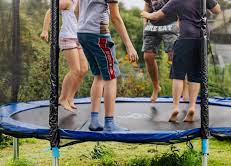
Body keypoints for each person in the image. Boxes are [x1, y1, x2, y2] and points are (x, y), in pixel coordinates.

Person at [141, 0, 221, 122]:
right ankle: (192, 107)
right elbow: (217, 10)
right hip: (201, 38)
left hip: (184, 38)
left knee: (178, 74)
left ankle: (175, 107)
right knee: (195, 74)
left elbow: (156, 15)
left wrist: (145, 14)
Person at [76, 0, 138, 131]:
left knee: (98, 75)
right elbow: (115, 17)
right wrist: (129, 45)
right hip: (99, 35)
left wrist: (83, 27)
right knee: (111, 77)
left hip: (82, 32)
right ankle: (109, 123)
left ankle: (94, 121)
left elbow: (77, 10)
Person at [41, 0, 88, 113]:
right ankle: (62, 98)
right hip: (67, 37)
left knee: (84, 69)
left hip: (79, 38)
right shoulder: (67, 2)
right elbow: (50, 11)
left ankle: (70, 98)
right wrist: (45, 30)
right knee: (75, 70)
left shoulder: (82, 3)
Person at [142, 0, 179, 102]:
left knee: (174, 56)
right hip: (152, 26)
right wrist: (145, 24)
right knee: (148, 56)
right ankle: (156, 87)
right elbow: (147, 7)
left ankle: (183, 88)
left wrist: (178, 24)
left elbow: (179, 6)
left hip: (170, 25)